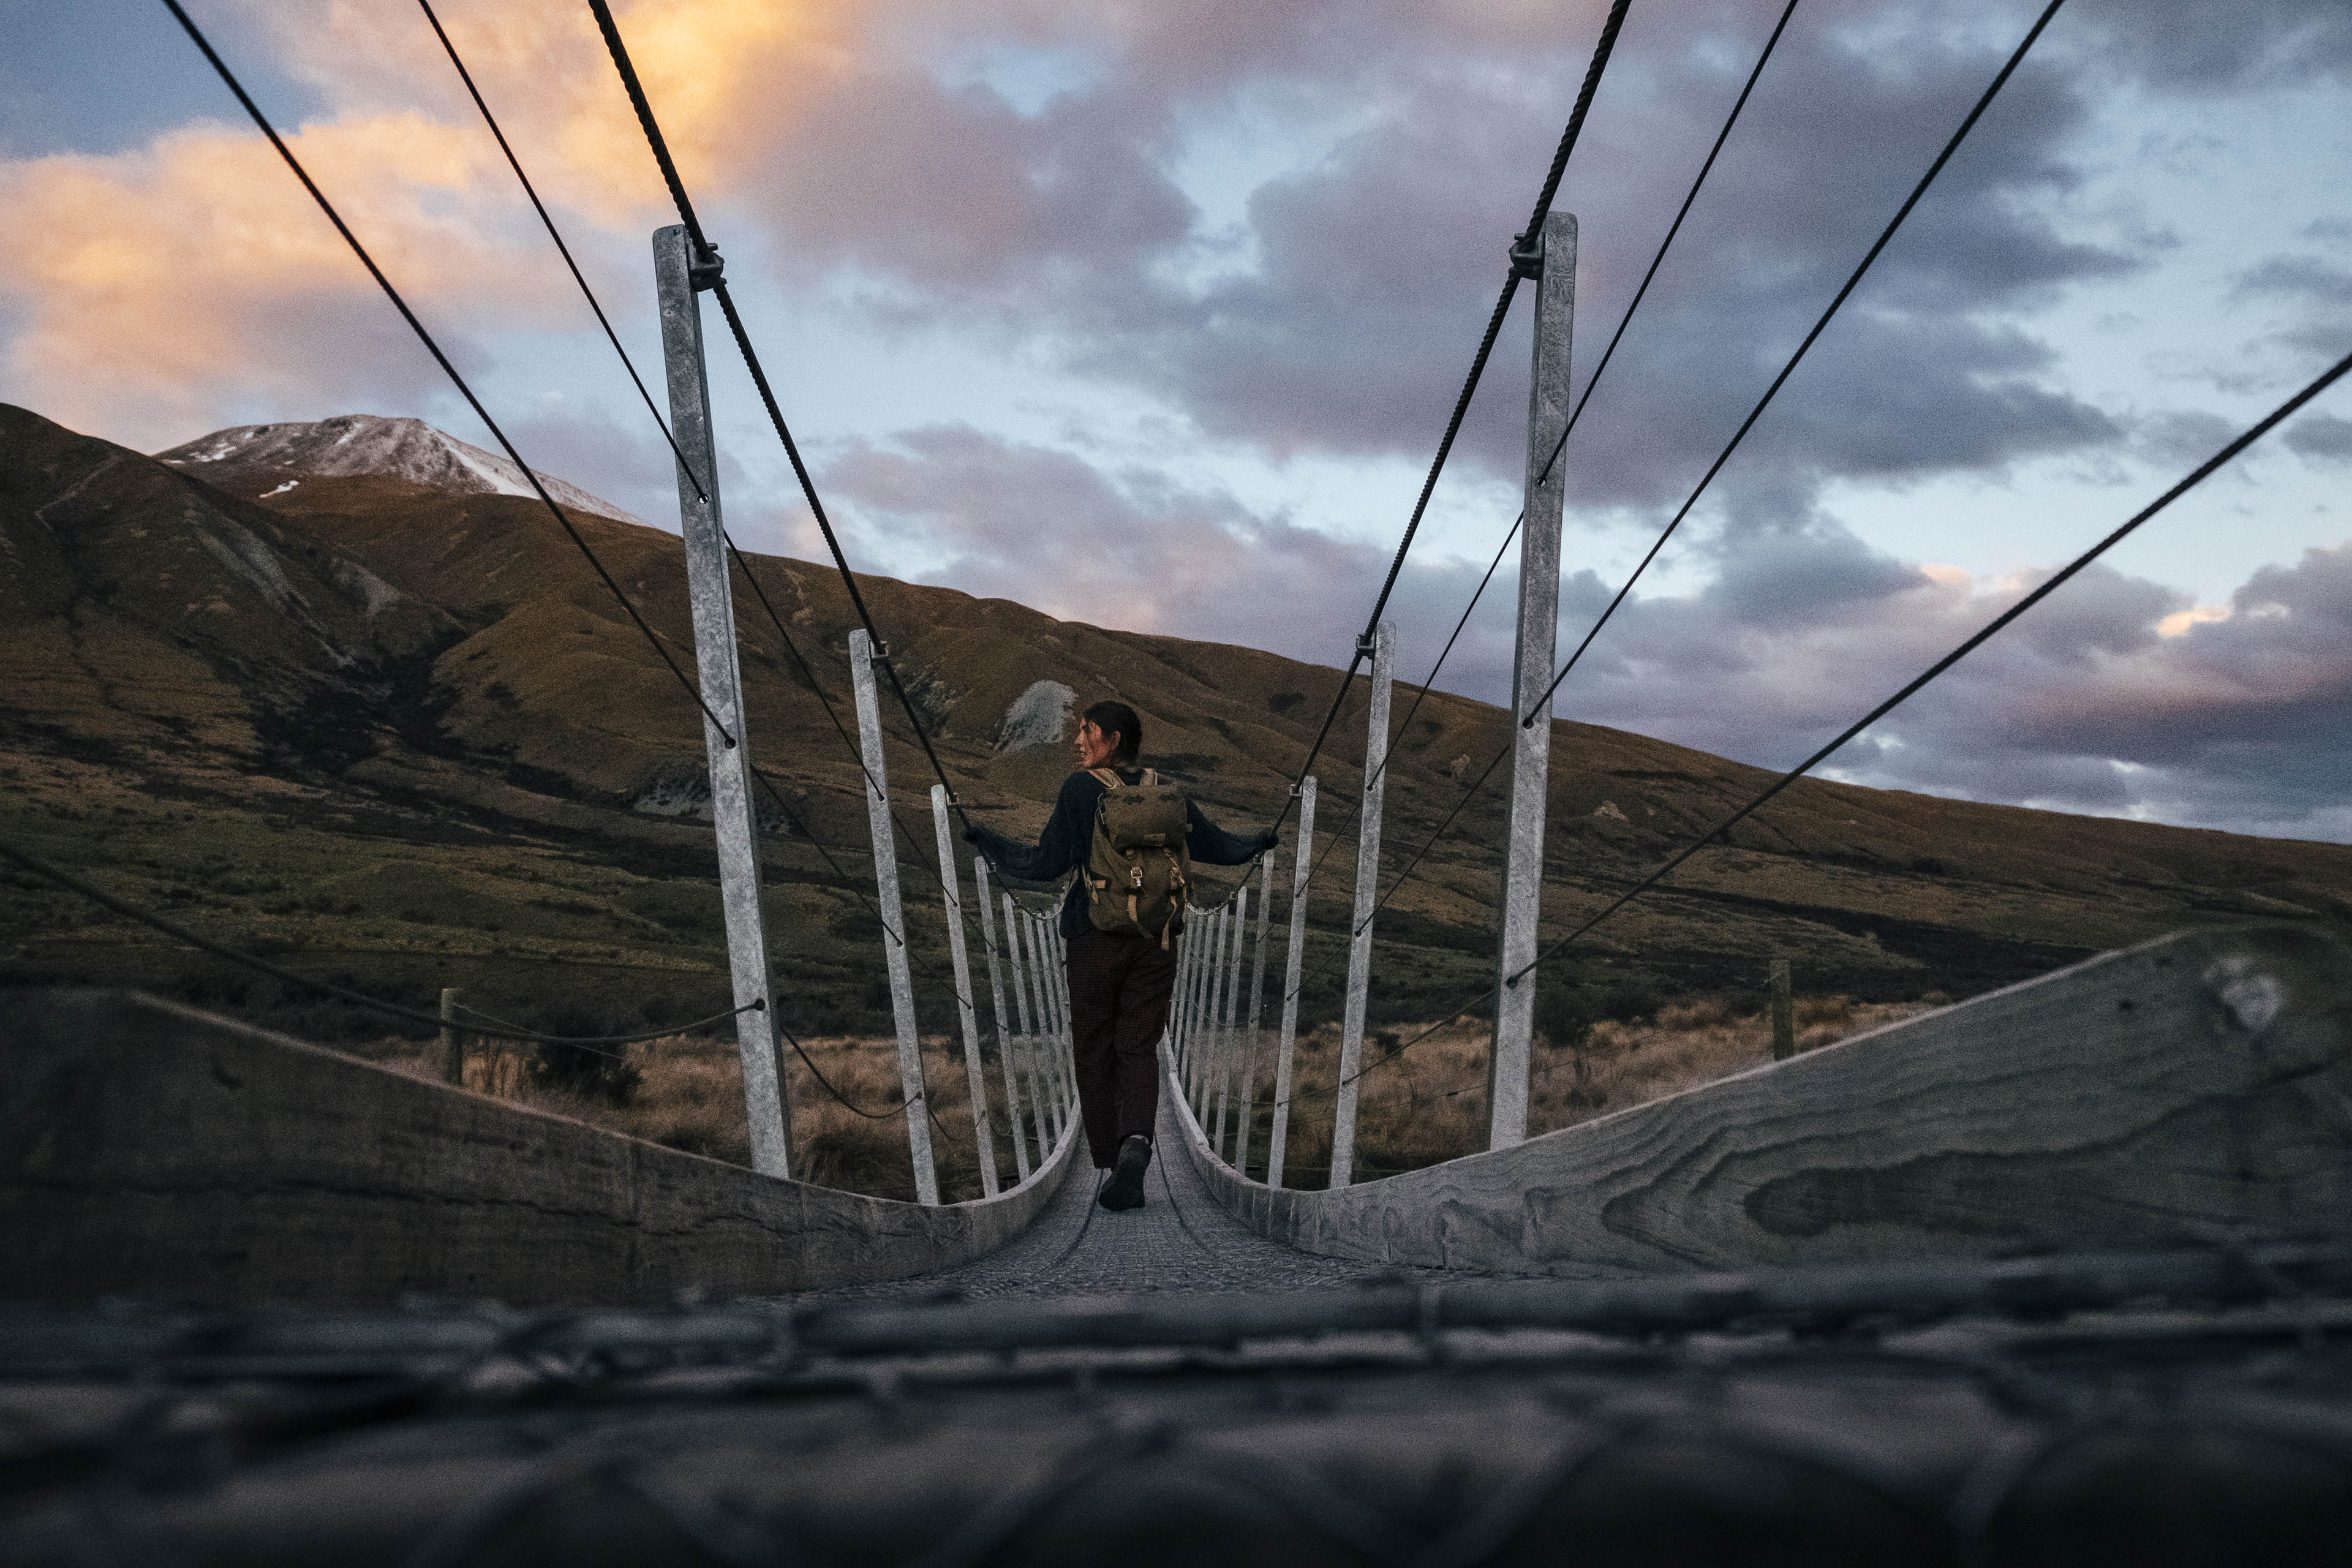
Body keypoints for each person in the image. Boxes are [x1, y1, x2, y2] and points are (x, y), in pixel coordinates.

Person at [967, 700, 1276, 1211]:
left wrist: (989, 841)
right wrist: (1259, 842)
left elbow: (1045, 863)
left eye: (1085, 731)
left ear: (1111, 740)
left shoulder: (1081, 790)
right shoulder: (1165, 791)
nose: (1077, 741)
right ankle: (1138, 1142)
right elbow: (1217, 846)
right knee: (1137, 1046)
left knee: (1094, 1046)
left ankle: (1112, 1162)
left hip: (1095, 938)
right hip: (1157, 941)